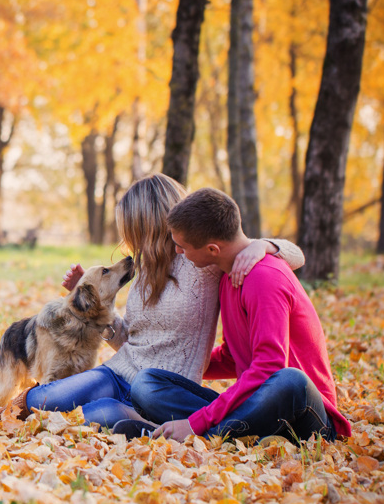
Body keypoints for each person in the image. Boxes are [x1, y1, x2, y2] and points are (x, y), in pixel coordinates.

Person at [20, 173, 305, 427]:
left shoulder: (202, 260)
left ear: (148, 224)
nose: (128, 238)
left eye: (132, 228)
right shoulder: (144, 269)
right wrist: (96, 307)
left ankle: (143, 423)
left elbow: (293, 255)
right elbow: (131, 339)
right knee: (43, 399)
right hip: (119, 372)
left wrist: (262, 246)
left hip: (159, 390)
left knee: (94, 415)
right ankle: (4, 419)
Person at [119, 187, 352, 443]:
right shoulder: (228, 276)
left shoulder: (265, 279)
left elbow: (268, 368)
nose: (178, 252)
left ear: (212, 249)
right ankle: (231, 436)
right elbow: (233, 357)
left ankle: (202, 438)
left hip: (308, 417)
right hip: (257, 407)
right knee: (148, 383)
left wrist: (197, 422)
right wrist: (182, 362)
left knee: (291, 380)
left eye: (182, 247)